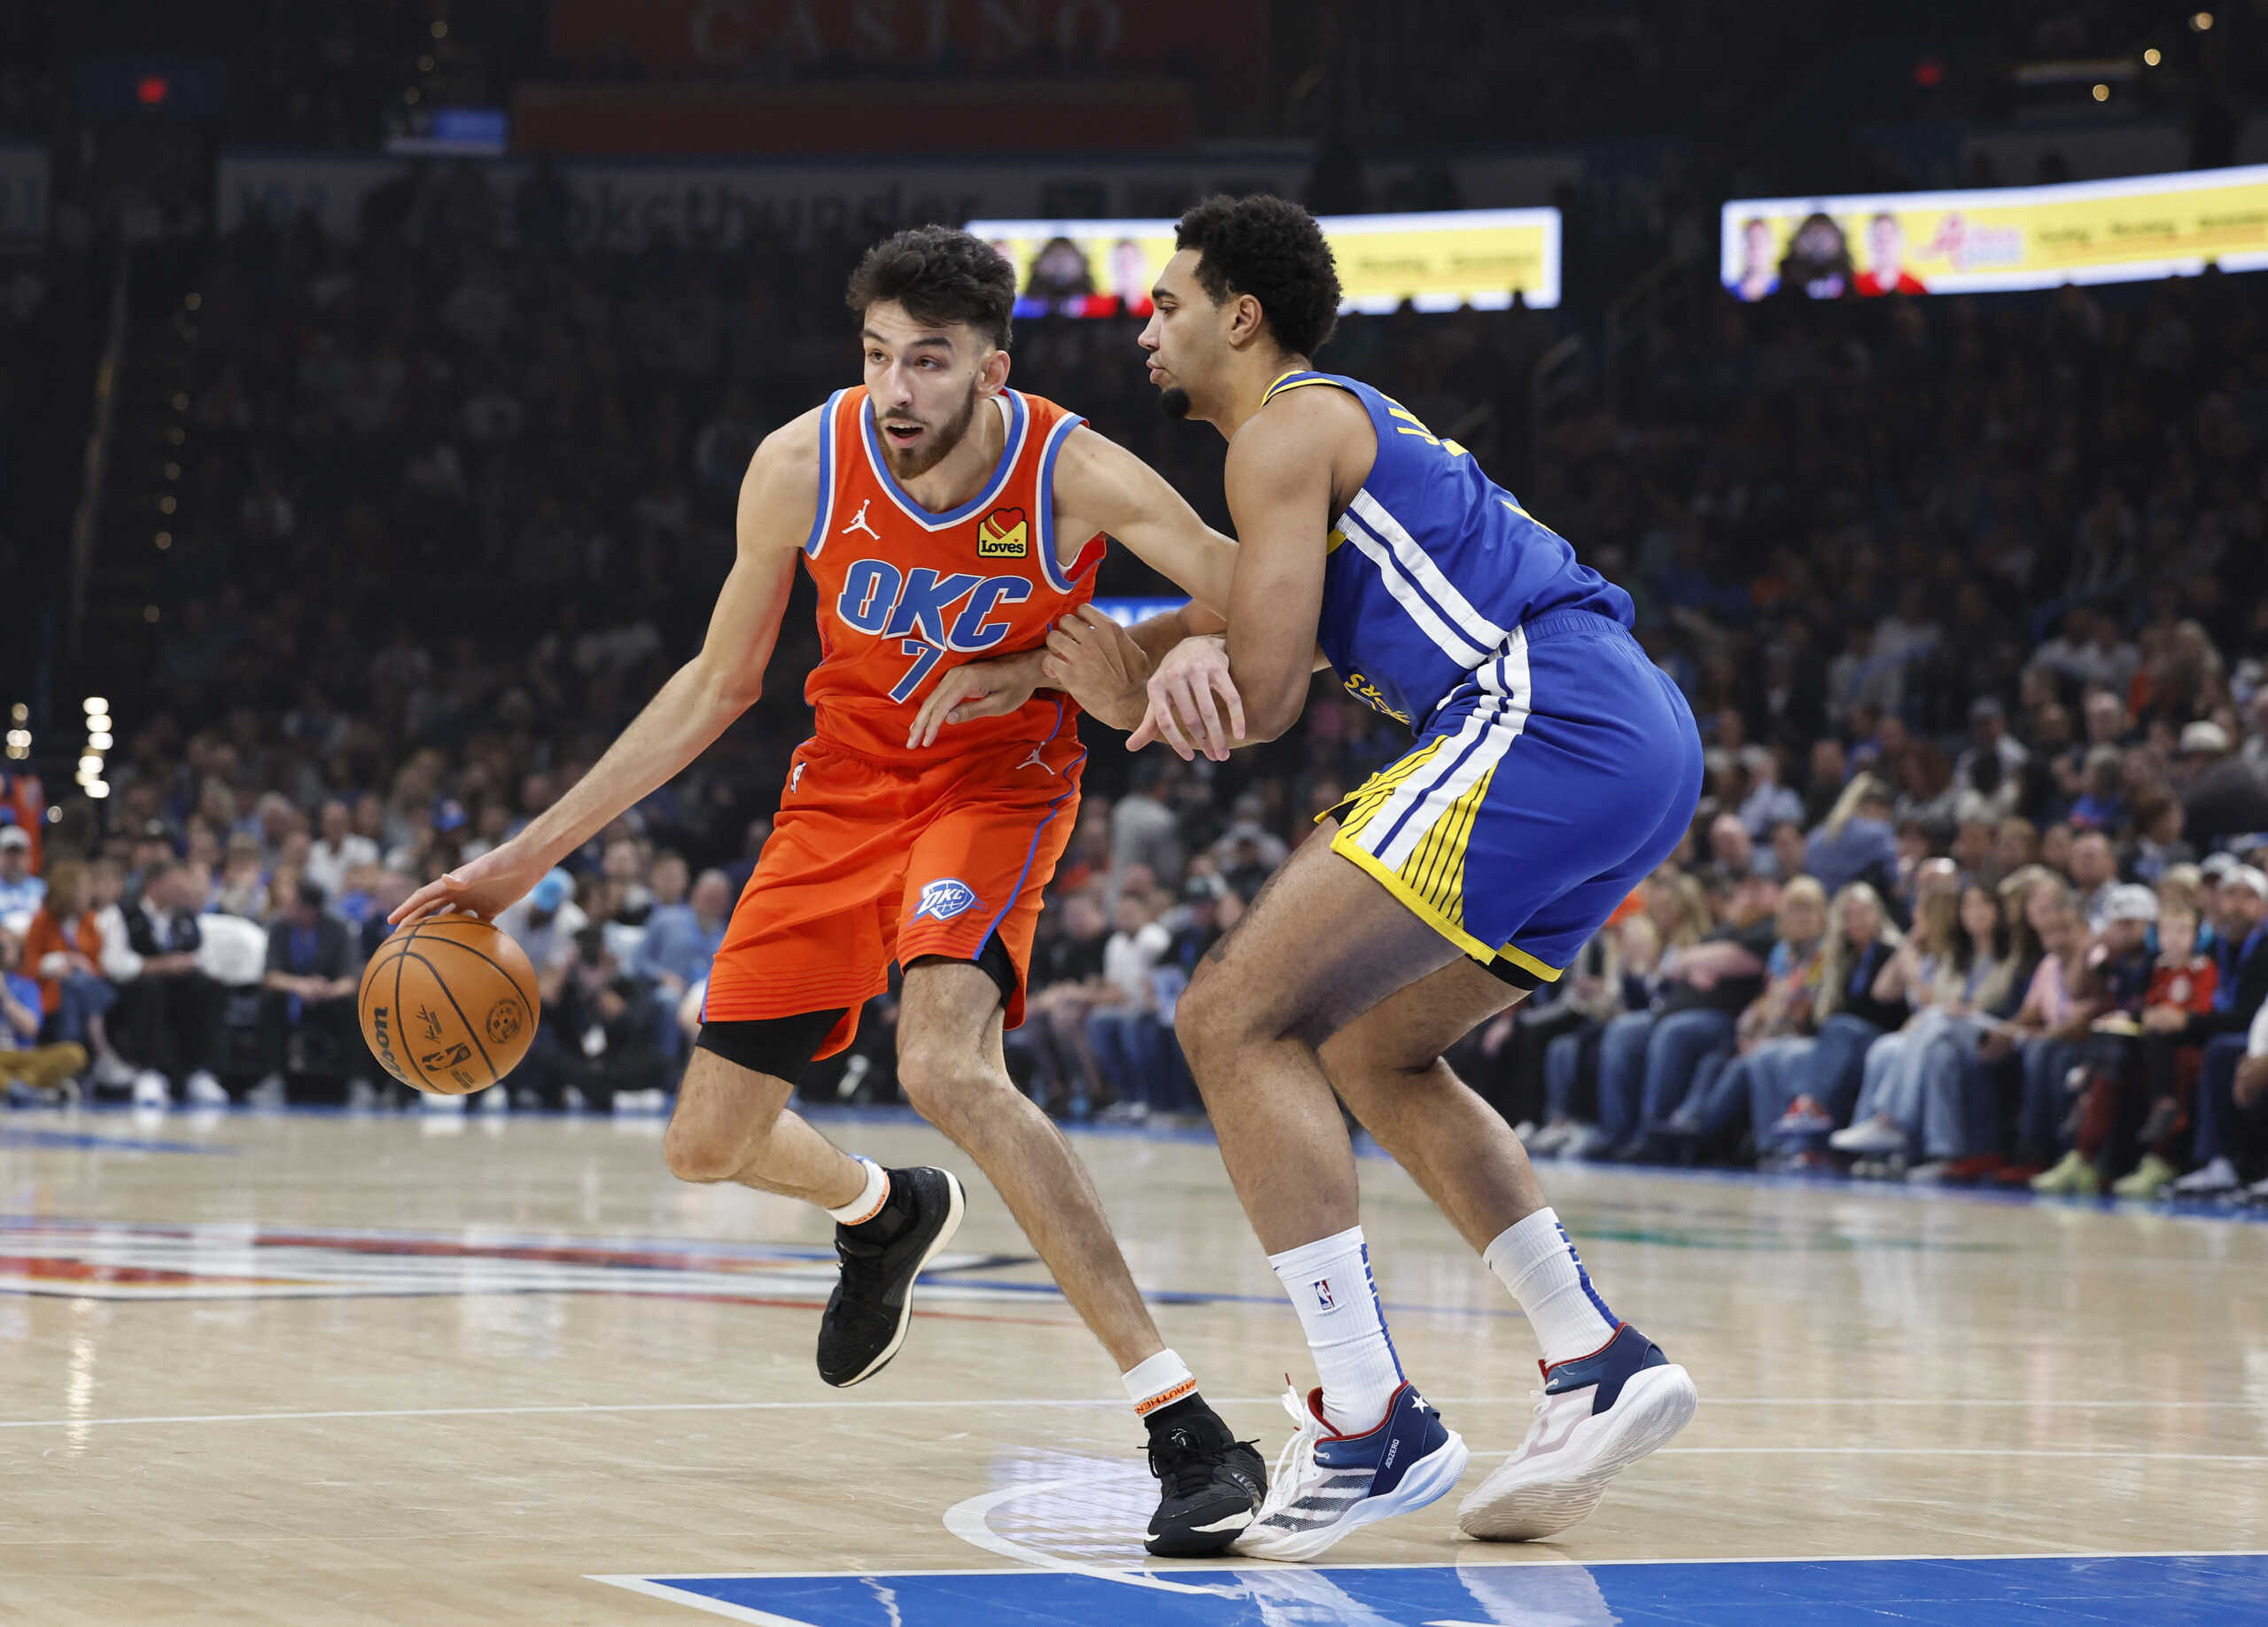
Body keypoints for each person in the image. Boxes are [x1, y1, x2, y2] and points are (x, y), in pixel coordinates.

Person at [392, 226, 1263, 1556]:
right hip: (839, 794)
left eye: (929, 360)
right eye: (877, 357)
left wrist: (1076, 675)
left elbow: (1263, 593)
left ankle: (1185, 1427)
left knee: (948, 1069)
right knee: (705, 1147)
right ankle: (885, 1209)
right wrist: (523, 860)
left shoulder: (1072, 470)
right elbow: (714, 685)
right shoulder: (802, 463)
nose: (898, 389)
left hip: (995, 792)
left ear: (991, 366)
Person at [1098, 194, 1702, 1557]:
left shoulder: (1283, 428)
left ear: (1240, 314)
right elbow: (1244, 628)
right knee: (1377, 1053)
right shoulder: (1325, 442)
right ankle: (1591, 1354)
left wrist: (1180, 668)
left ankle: (1369, 1421)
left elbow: (1255, 692)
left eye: (1168, 302)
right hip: (1634, 735)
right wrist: (1121, 658)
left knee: (1230, 1018)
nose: (1149, 326)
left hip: (1538, 714)